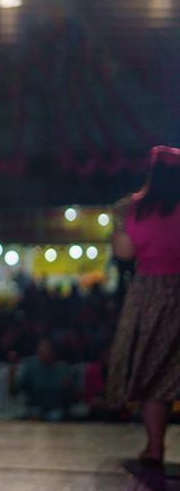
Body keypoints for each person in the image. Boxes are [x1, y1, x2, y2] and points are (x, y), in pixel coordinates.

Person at [107, 144, 180, 465]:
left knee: (154, 373)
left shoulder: (133, 208)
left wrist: (119, 221)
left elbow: (124, 253)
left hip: (151, 293)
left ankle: (155, 447)